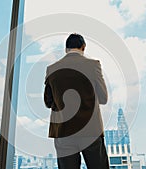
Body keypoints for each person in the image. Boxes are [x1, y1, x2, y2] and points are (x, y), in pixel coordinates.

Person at [44, 33, 109, 169]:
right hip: (90, 130)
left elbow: (48, 102)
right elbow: (103, 98)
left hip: (63, 131)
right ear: (83, 47)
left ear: (66, 49)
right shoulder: (93, 65)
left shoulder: (52, 69)